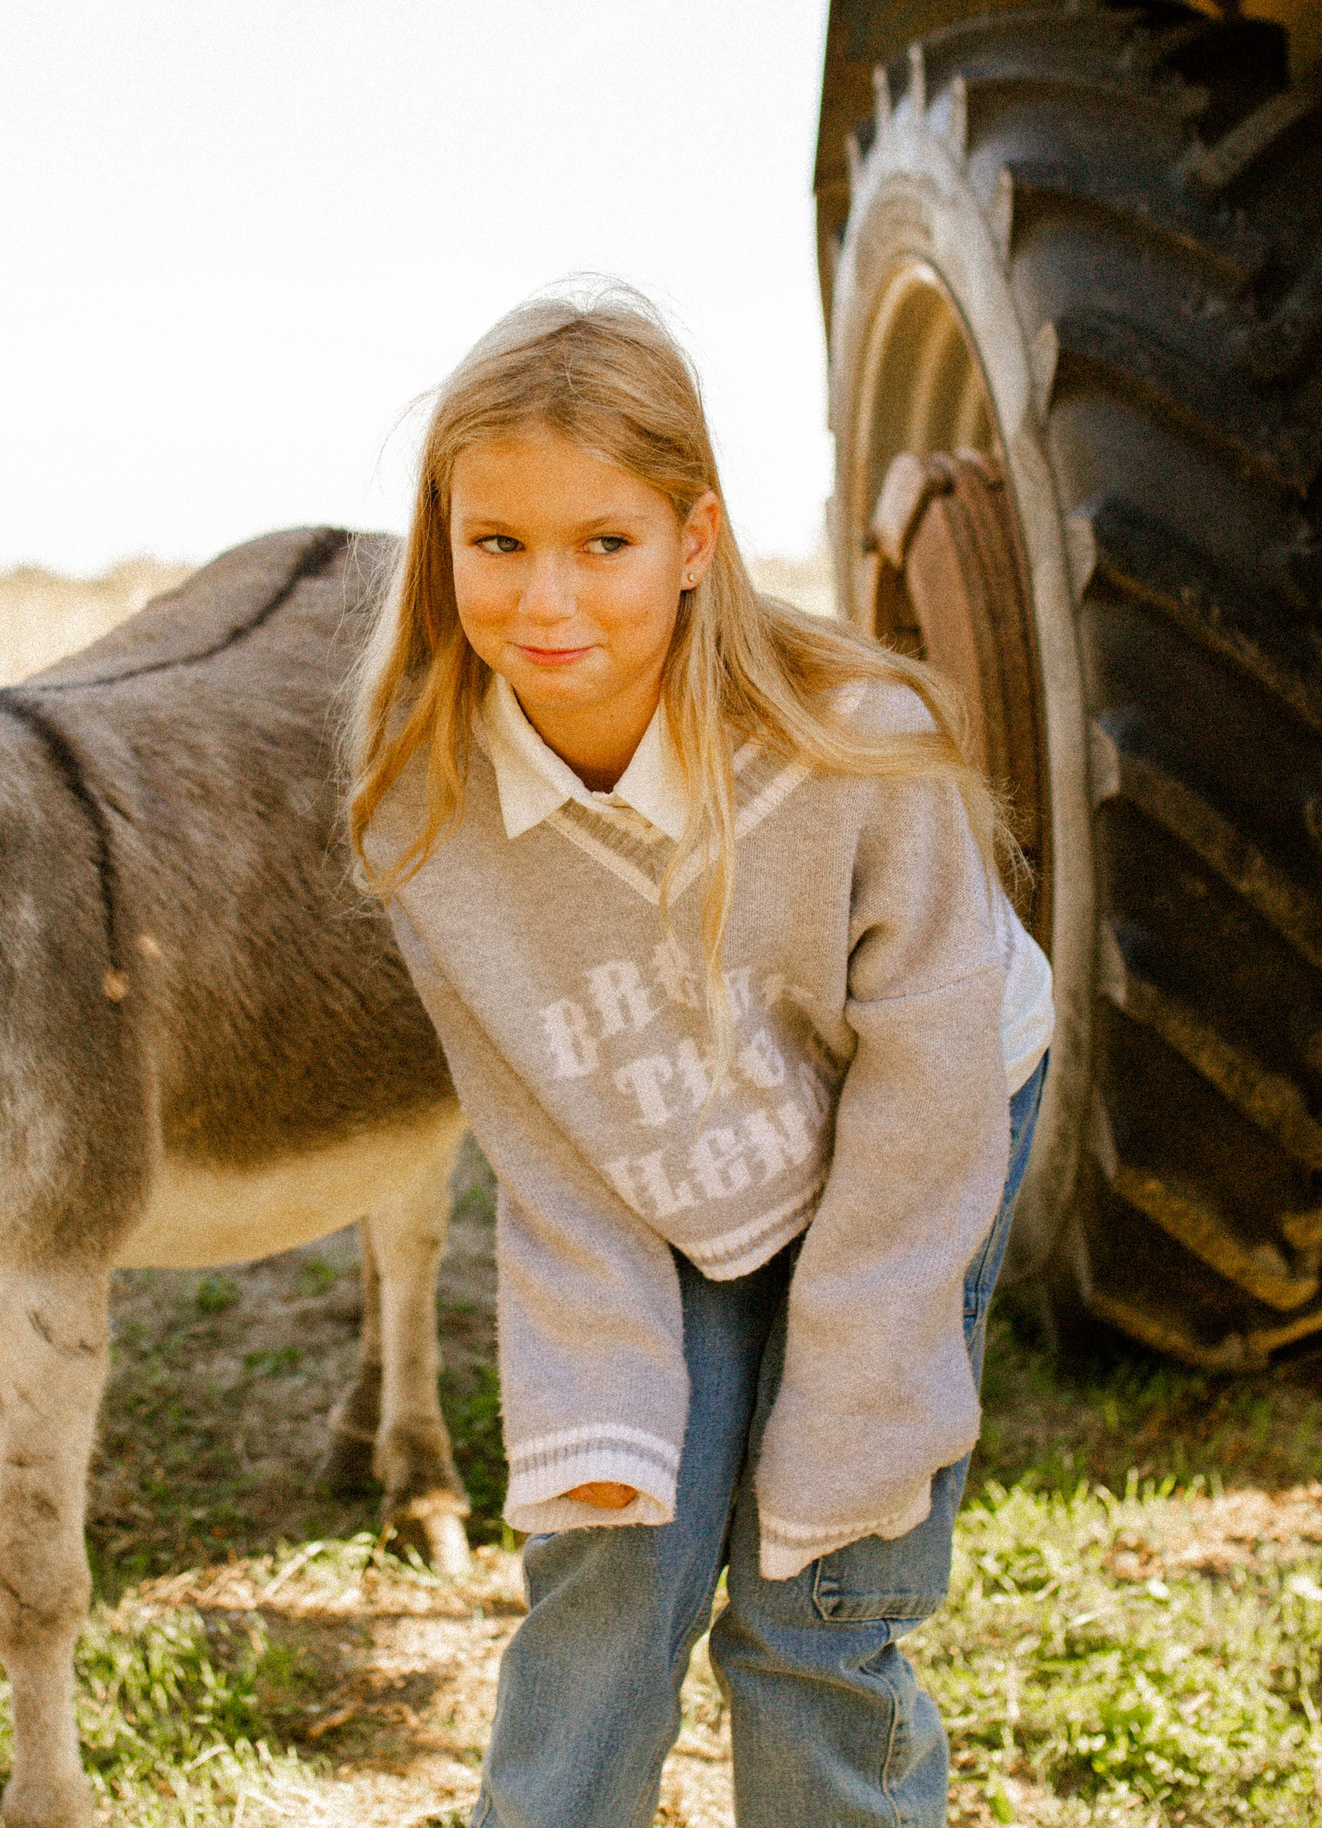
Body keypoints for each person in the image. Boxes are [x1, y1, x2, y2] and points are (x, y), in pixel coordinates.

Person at [344, 285, 1053, 1828]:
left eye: (606, 542)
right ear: (440, 540)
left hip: (913, 1113)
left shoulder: (848, 745)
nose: (549, 601)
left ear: (695, 541)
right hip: (653, 1141)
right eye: (499, 544)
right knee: (612, 1571)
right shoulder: (421, 803)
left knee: (818, 1585)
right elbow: (540, 1132)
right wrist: (599, 1406)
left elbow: (925, 1094)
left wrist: (853, 1396)